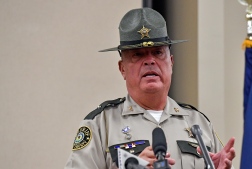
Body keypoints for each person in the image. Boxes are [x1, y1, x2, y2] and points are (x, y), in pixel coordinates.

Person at [64, 7, 235, 169]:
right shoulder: (101, 125)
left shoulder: (199, 124)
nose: (150, 61)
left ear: (171, 63)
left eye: (158, 52)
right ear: (122, 68)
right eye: (138, 54)